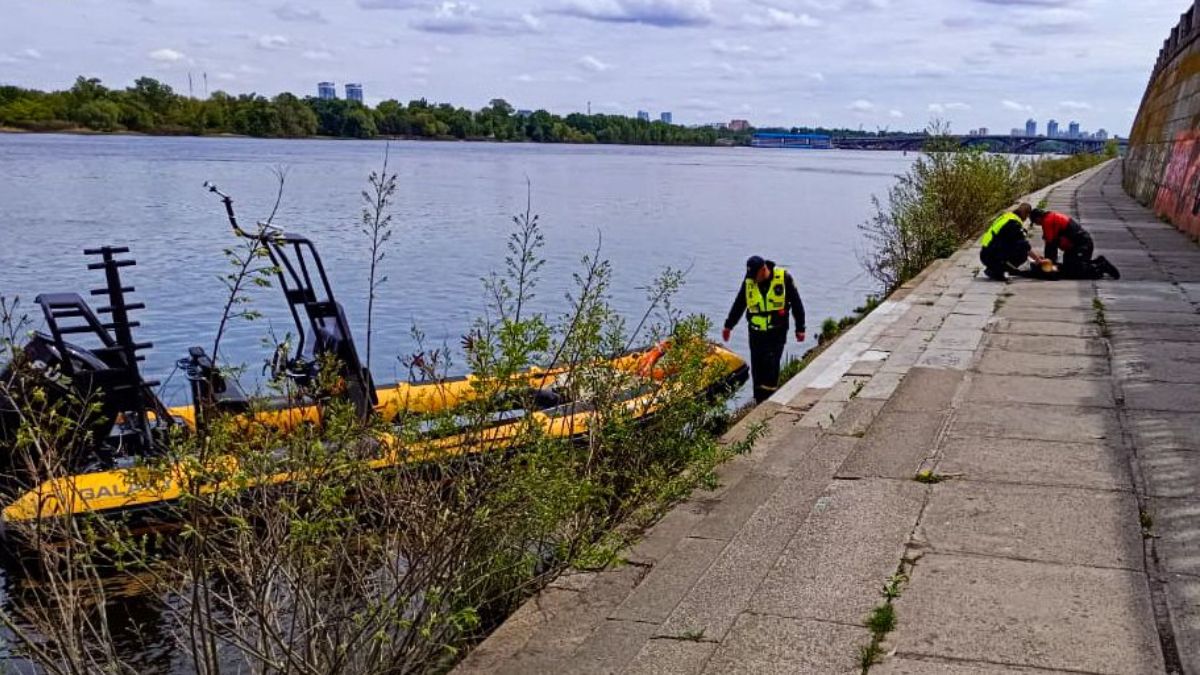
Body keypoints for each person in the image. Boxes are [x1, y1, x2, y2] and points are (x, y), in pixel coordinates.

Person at [722, 256, 806, 403]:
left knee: (771, 365)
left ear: (763, 270)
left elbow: (797, 304)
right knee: (757, 368)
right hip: (755, 333)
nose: (753, 279)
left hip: (777, 331)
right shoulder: (749, 281)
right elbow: (739, 304)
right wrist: (729, 326)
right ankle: (758, 400)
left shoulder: (783, 278)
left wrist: (800, 328)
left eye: (755, 276)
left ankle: (768, 400)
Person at [1030, 208, 1120, 279]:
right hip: (1076, 246)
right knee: (1067, 269)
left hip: (1082, 245)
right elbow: (1052, 244)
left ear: (1038, 218)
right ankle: (1097, 263)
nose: (1037, 224)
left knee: (1075, 272)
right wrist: (1049, 261)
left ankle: (1101, 266)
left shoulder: (1047, 221)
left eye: (1035, 222)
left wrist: (1048, 263)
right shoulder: (1051, 217)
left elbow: (1050, 245)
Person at [979, 202, 1045, 281]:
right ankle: (998, 270)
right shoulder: (1014, 224)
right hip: (991, 256)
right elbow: (1024, 245)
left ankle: (995, 268)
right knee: (1022, 253)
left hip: (986, 253)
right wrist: (1037, 259)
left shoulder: (1007, 217)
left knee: (1016, 247)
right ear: (1026, 214)